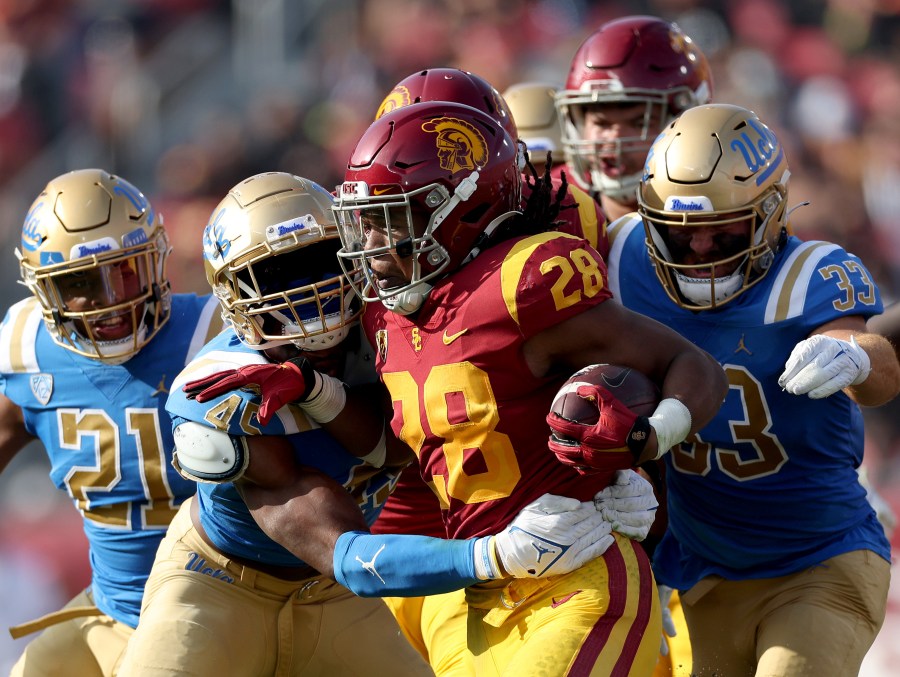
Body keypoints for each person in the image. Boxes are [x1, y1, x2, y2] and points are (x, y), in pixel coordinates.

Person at [118, 171, 638, 676]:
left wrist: (610, 471)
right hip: (221, 587)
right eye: (275, 276)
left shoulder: (397, 328)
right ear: (232, 296)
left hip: (333, 597)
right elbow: (345, 552)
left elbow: (450, 424)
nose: (310, 292)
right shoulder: (220, 390)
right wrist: (493, 555)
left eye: (321, 261)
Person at [326, 100, 728, 675]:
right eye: (365, 217)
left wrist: (644, 446)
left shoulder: (525, 280)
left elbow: (689, 365)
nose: (370, 238)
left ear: (458, 210)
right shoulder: (384, 315)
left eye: (391, 218)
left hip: (579, 584)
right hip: (479, 602)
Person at [603, 102, 900, 676]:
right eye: (681, 235)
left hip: (820, 559)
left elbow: (881, 372)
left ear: (769, 214)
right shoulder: (622, 258)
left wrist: (853, 358)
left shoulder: (810, 273)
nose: (703, 250)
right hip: (707, 573)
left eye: (724, 230)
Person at [0, 168, 223, 676]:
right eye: (80, 282)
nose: (111, 298)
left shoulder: (211, 335)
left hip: (220, 601)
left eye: (124, 268)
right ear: (45, 291)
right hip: (112, 608)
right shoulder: (27, 350)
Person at [555, 15, 713, 223]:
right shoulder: (553, 200)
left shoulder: (717, 205)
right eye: (602, 123)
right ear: (578, 124)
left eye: (640, 123)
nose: (615, 138)